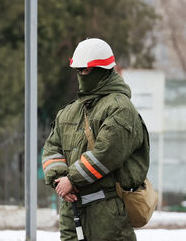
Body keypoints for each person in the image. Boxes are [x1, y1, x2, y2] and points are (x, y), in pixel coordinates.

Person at [42, 38, 150, 240]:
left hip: (107, 216)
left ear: (103, 70)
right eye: (78, 70)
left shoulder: (120, 109)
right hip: (71, 212)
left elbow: (106, 153)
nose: (81, 74)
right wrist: (59, 180)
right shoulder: (69, 112)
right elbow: (51, 149)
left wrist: (71, 180)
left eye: (86, 70)